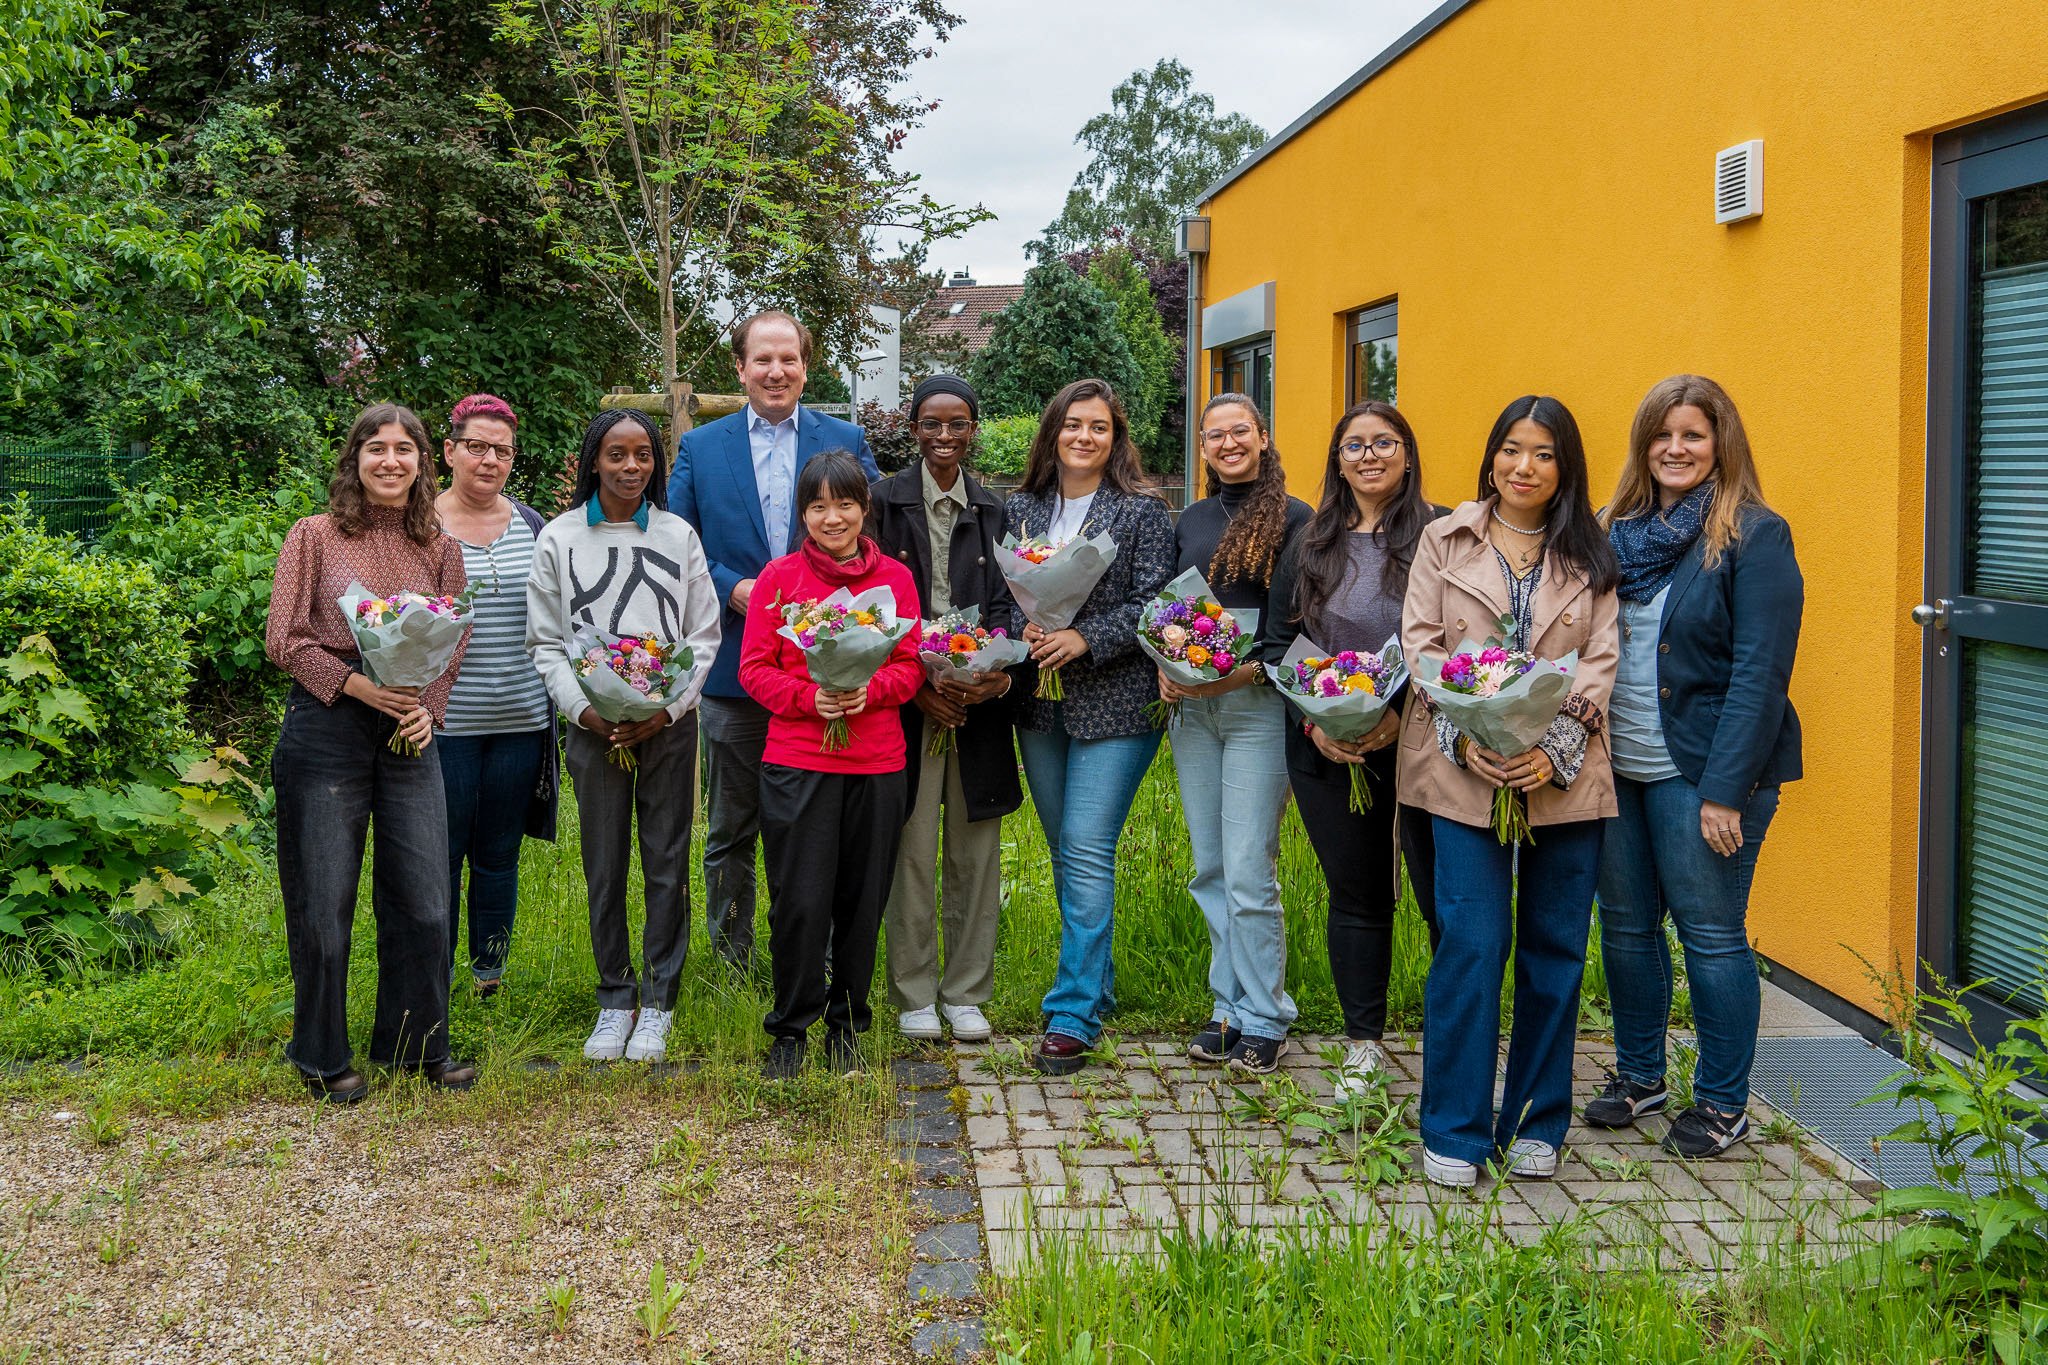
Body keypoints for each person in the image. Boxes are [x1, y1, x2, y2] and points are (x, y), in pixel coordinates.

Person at [1400, 395, 1619, 1188]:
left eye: (1544, 453)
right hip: (1463, 774)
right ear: (1491, 456)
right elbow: (1421, 647)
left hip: (1562, 777)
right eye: (1511, 449)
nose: (1524, 467)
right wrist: (1470, 738)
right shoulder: (1444, 538)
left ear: (1566, 467)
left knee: (1555, 948)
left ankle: (1534, 1120)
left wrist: (1551, 751)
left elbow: (1601, 657)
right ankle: (1454, 1128)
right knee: (1473, 941)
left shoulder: (1590, 551)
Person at [1586, 375, 1803, 1158]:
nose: (1675, 449)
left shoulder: (1755, 535)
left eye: (1692, 435)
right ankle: (1641, 1075)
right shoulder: (1614, 531)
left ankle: (1721, 1102)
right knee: (1626, 930)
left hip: (1704, 777)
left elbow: (1761, 674)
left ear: (1721, 444)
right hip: (1619, 767)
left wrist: (1725, 792)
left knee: (1711, 937)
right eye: (1661, 434)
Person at [264, 402, 475, 1102]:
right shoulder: (315, 536)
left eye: (403, 449)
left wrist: (425, 709)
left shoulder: (439, 546)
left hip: (406, 730)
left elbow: (454, 640)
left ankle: (415, 1046)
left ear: (422, 462)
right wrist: (358, 685)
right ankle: (321, 1053)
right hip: (327, 725)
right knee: (324, 903)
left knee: (425, 902)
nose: (390, 460)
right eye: (376, 448)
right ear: (354, 460)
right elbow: (284, 638)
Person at [669, 311, 882, 973]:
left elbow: (869, 538)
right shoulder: (702, 448)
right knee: (731, 827)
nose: (776, 371)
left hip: (828, 678)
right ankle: (733, 963)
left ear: (805, 366)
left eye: (788, 358)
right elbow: (677, 543)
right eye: (762, 359)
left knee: (817, 829)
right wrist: (735, 587)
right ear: (740, 369)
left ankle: (813, 957)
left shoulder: (844, 439)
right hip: (735, 667)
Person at [528, 409, 722, 1065]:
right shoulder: (559, 537)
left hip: (667, 726)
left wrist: (667, 711)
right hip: (593, 727)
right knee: (604, 864)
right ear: (594, 460)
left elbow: (703, 637)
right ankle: (615, 997)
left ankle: (659, 1001)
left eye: (643, 454)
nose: (631, 466)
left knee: (667, 861)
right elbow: (546, 643)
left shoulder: (677, 535)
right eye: (617, 454)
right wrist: (586, 713)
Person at [1261, 400, 1443, 1098]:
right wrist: (1318, 723)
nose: (1370, 455)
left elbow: (1463, 638)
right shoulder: (1310, 542)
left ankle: (1455, 1041)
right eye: (1355, 445)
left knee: (1445, 899)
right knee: (1358, 896)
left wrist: (1401, 713)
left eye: (1385, 443)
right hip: (1329, 749)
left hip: (1427, 744)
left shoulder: (1441, 532)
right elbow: (1278, 643)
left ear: (1408, 454)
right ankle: (1364, 1046)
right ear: (1338, 460)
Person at [1004, 379, 1176, 1076]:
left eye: (1098, 427)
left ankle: (1072, 1012)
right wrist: (1021, 626)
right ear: (1053, 432)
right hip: (1041, 705)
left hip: (1117, 703)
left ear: (1115, 437)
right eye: (1073, 424)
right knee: (1063, 849)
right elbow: (1006, 593)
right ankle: (1096, 985)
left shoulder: (1142, 511)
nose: (1084, 436)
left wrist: (1086, 637)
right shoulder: (1022, 507)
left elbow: (1155, 602)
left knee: (1084, 846)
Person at [739, 450, 925, 1079]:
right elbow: (754, 669)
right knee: (799, 902)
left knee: (861, 902)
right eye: (818, 506)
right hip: (797, 762)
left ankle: (847, 1026)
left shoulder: (895, 580)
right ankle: (790, 1028)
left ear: (865, 508)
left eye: (845, 503)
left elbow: (911, 664)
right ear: (803, 514)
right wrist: (808, 698)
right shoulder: (779, 579)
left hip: (876, 763)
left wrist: (869, 690)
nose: (832, 517)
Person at [1157, 394, 1310, 1074]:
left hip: (1257, 706)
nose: (1228, 443)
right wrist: (1165, 665)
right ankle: (1229, 1006)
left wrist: (1226, 678)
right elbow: (1173, 611)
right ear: (1203, 446)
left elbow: (1292, 627)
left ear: (1263, 436)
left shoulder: (1297, 518)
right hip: (1193, 712)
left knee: (1249, 868)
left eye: (1239, 431)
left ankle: (1267, 1015)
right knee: (1211, 866)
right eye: (1214, 435)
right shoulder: (1190, 518)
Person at [871, 376, 1020, 1045]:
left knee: (974, 848)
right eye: (931, 423)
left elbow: (1012, 602)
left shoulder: (993, 508)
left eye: (958, 423)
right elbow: (867, 604)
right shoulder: (882, 502)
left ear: (973, 430)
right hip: (903, 702)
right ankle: (912, 991)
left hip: (976, 706)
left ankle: (965, 992)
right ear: (913, 429)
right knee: (910, 848)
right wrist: (915, 684)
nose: (944, 436)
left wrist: (992, 674)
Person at [433, 393, 557, 998]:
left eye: (502, 451)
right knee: (440, 852)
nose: (489, 460)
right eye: (477, 447)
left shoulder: (534, 527)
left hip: (521, 722)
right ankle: (433, 973)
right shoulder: (417, 524)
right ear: (449, 451)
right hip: (443, 726)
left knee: (499, 853)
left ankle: (489, 974)